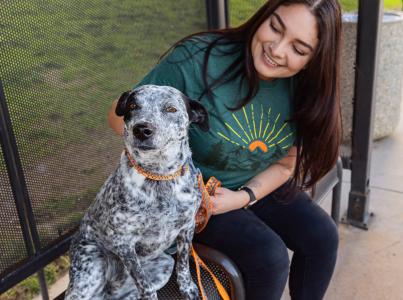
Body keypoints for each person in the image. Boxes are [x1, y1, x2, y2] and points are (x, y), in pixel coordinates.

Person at [108, 0, 342, 299]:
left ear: (314, 59)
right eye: (275, 27)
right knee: (269, 256)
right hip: (193, 195)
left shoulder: (307, 87)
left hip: (253, 181)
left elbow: (287, 164)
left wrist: (244, 197)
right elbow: (118, 118)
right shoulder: (196, 59)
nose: (277, 49)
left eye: (298, 49)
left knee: (322, 237)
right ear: (264, 16)